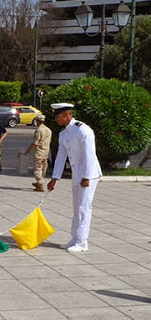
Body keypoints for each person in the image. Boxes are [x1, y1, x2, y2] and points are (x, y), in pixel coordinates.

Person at [47, 102, 102, 253]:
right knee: (76, 208)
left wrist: (86, 177)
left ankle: (82, 242)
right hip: (77, 175)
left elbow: (89, 154)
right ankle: (75, 238)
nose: (56, 119)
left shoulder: (83, 130)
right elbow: (60, 157)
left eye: (58, 116)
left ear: (67, 115)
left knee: (84, 208)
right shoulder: (63, 134)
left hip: (88, 175)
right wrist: (54, 178)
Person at [25, 113, 52, 192]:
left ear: (37, 121)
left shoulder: (39, 130)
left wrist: (29, 150)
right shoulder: (48, 130)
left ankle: (40, 184)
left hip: (39, 152)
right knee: (43, 168)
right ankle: (39, 182)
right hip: (46, 151)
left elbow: (35, 142)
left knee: (37, 168)